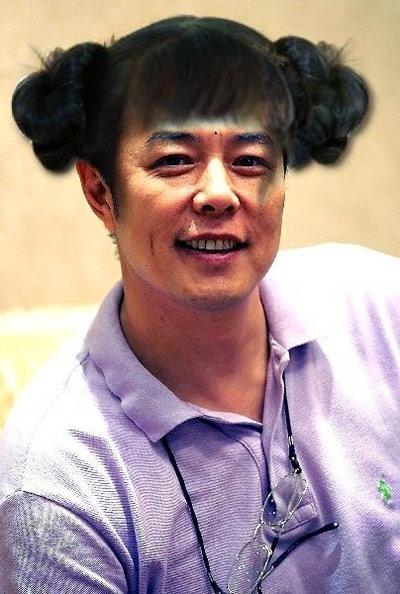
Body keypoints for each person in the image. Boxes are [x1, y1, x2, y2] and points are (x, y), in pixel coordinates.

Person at [0, 15, 399, 594]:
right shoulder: (59, 482)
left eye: (250, 160)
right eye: (174, 160)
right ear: (100, 192)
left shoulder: (379, 309)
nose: (218, 193)